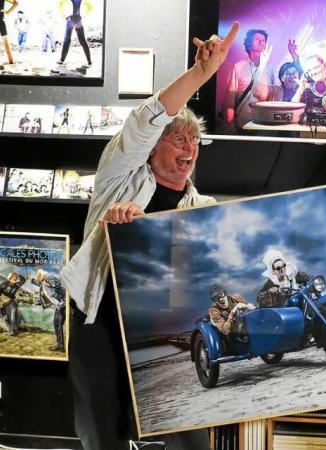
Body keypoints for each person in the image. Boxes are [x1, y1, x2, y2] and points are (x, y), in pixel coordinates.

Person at [59, 20, 241, 450]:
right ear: (153, 146)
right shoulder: (118, 177)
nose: (189, 149)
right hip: (100, 321)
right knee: (102, 434)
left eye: (195, 142)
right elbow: (146, 120)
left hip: (164, 325)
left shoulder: (202, 209)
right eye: (179, 138)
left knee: (181, 434)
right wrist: (200, 75)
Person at [224, 28, 277, 132]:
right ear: (249, 43)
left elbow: (271, 95)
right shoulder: (238, 67)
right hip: (243, 122)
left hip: (264, 122)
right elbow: (230, 95)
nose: (261, 42)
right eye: (257, 39)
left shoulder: (270, 69)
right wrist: (230, 120)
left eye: (264, 40)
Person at [31, 269, 67, 352]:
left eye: (39, 275)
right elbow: (39, 283)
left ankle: (61, 346)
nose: (37, 277)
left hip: (63, 304)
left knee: (58, 324)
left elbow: (56, 283)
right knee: (57, 324)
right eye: (37, 275)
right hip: (60, 305)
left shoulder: (49, 277)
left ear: (43, 274)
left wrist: (48, 280)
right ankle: (60, 345)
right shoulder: (43, 282)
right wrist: (31, 279)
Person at [57, 0, 93, 67]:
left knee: (67, 40)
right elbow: (90, 7)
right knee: (83, 41)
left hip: (70, 19)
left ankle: (61, 60)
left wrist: (64, 15)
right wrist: (83, 15)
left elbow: (60, 4)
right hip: (78, 19)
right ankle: (89, 61)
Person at [0, 271, 25, 336]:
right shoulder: (3, 284)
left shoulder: (17, 285)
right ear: (10, 277)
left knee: (13, 311)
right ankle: (1, 327)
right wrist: (1, 302)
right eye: (13, 276)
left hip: (11, 300)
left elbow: (23, 279)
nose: (15, 277)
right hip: (2, 299)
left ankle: (12, 329)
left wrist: (17, 274)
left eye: (16, 277)